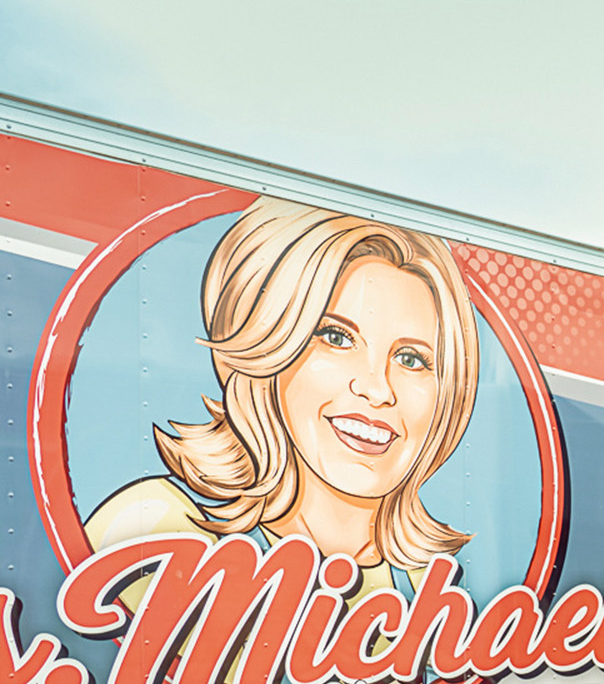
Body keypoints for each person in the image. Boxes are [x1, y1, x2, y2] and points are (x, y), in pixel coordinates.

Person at [85, 197, 481, 606]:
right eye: (336, 337)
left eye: (411, 359)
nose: (378, 389)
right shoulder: (157, 530)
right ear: (260, 346)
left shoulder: (431, 589)